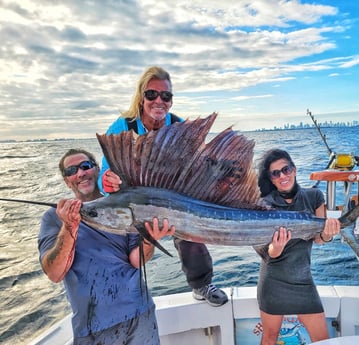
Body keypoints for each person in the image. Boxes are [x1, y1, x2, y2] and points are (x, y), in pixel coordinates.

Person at [99, 66, 228, 307]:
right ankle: (118, 292)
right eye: (152, 94)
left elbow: (197, 166)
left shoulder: (178, 126)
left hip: (171, 196)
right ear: (141, 96)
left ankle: (201, 284)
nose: (159, 101)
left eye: (166, 96)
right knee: (116, 237)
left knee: (190, 232)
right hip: (133, 197)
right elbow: (104, 172)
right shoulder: (122, 126)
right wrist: (106, 179)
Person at [38, 148, 175, 345]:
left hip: (140, 315)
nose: (80, 173)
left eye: (85, 166)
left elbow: (137, 261)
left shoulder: (125, 205)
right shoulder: (53, 217)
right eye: (71, 171)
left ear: (96, 169)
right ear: (67, 181)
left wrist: (149, 239)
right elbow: (54, 273)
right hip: (93, 327)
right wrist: (70, 226)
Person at [256, 148, 341, 345]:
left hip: (303, 281)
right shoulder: (263, 204)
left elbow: (319, 238)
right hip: (273, 281)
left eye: (286, 169)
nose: (282, 176)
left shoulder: (314, 197)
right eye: (275, 173)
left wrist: (328, 235)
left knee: (322, 340)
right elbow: (266, 253)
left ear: (294, 169)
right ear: (271, 178)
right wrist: (276, 248)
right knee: (269, 338)